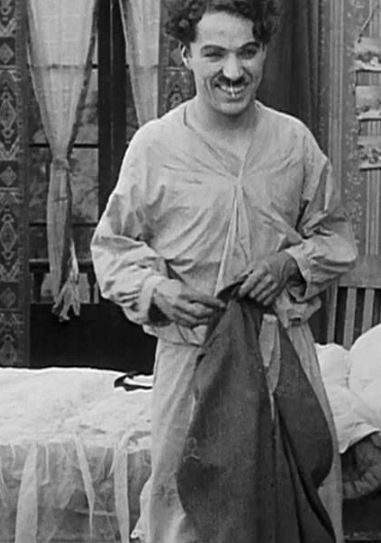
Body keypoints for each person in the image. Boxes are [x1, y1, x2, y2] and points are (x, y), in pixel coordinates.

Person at [91, 0, 358, 541]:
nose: (233, 72)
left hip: (282, 357)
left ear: (263, 53)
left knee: (297, 507)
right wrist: (157, 289)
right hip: (191, 362)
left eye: (247, 52)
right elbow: (111, 247)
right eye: (214, 54)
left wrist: (289, 262)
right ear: (185, 55)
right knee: (185, 513)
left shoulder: (293, 143)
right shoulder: (155, 146)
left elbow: (337, 238)